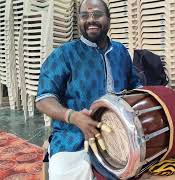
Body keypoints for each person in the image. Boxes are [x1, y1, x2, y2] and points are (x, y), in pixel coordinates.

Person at [35, 0, 141, 179]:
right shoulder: (64, 54)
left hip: (119, 132)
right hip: (73, 134)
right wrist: (72, 116)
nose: (91, 20)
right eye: (84, 16)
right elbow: (43, 99)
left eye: (97, 14)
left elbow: (136, 87)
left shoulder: (121, 52)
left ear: (108, 18)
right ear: (79, 21)